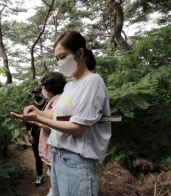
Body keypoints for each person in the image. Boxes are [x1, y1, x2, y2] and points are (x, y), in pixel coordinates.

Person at [10, 30, 111, 196]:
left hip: (76, 160)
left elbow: (78, 127)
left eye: (63, 56)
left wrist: (39, 118)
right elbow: (59, 116)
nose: (60, 62)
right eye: (57, 58)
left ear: (80, 53)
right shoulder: (70, 85)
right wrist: (38, 112)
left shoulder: (92, 81)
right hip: (58, 155)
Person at [37, 72, 66, 196]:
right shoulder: (53, 101)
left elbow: (54, 125)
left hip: (55, 149)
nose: (42, 90)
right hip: (52, 149)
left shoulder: (58, 101)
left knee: (57, 184)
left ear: (50, 88)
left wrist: (37, 122)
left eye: (43, 87)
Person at [25, 86, 48, 186]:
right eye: (34, 94)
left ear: (42, 93)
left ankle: (53, 173)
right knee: (37, 155)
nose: (36, 95)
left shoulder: (48, 104)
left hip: (47, 132)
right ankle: (40, 175)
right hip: (35, 133)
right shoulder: (31, 105)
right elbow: (27, 121)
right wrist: (29, 134)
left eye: (38, 93)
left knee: (50, 153)